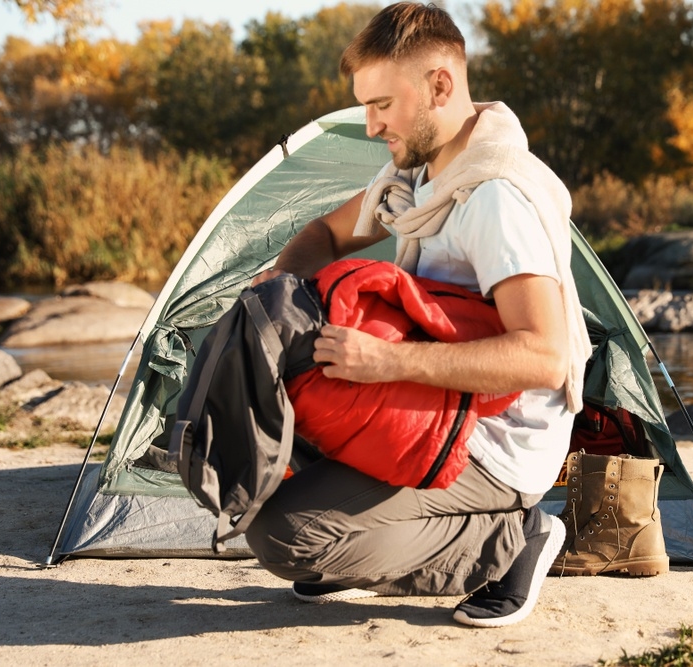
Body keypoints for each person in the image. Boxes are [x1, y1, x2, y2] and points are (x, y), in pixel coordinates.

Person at [245, 1, 591, 628]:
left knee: (286, 538)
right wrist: (285, 285)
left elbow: (546, 356)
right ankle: (370, 546)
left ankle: (513, 542)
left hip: (494, 442)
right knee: (269, 388)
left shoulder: (494, 198)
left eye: (382, 105)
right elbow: (324, 233)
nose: (372, 126)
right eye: (366, 107)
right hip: (426, 402)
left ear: (440, 85)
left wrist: (386, 360)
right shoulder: (420, 179)